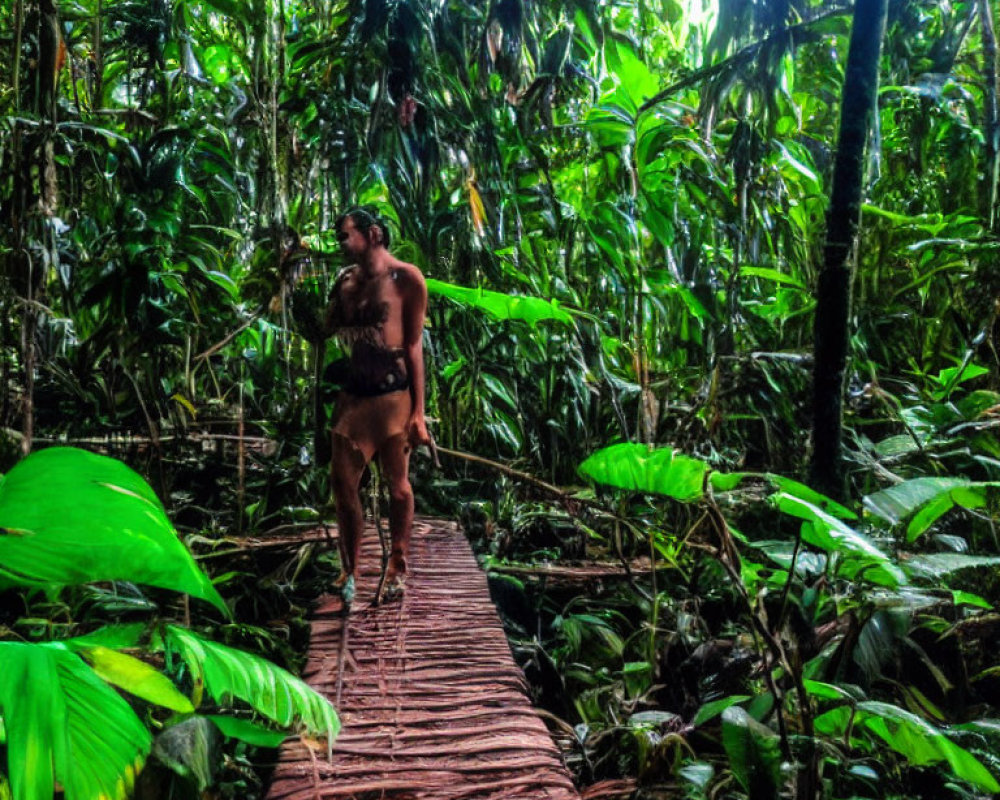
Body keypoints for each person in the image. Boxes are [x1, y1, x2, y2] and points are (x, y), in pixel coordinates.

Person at [324, 207, 430, 604]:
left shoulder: (406, 279)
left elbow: (415, 346)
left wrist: (419, 413)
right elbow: (326, 327)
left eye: (345, 235)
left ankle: (397, 565)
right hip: (353, 398)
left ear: (372, 234)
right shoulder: (346, 283)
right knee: (342, 484)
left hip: (393, 397)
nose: (340, 244)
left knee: (397, 487)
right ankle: (349, 569)